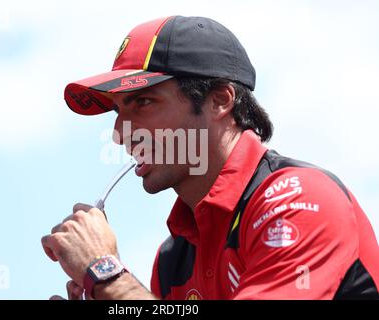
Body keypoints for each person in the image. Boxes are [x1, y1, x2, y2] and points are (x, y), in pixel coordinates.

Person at [41, 15, 379, 300]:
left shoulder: (298, 202)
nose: (120, 133)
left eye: (142, 103)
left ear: (220, 100)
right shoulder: (172, 259)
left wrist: (105, 273)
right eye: (117, 110)